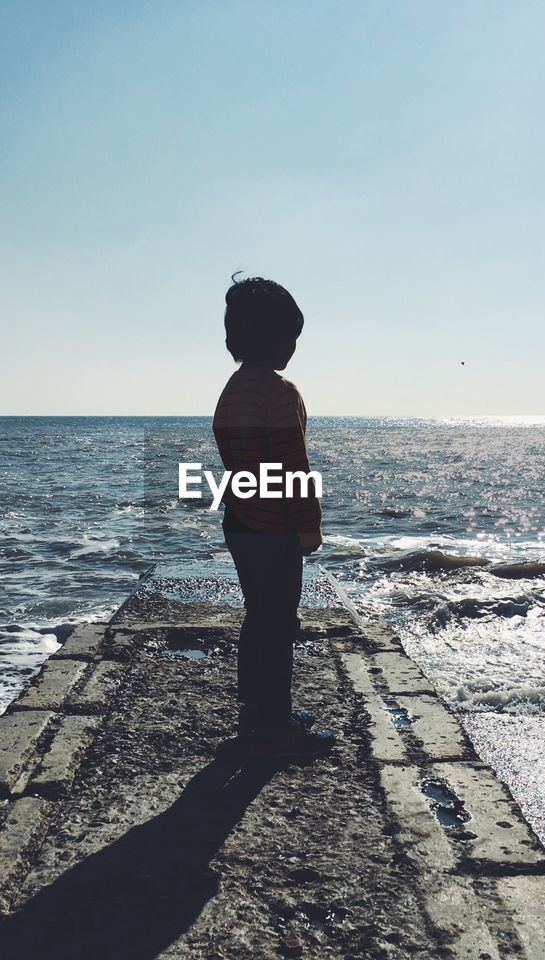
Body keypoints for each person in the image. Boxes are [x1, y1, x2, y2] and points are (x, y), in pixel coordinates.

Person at [212, 276, 334, 759]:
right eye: (292, 339)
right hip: (274, 528)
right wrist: (308, 526)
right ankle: (277, 729)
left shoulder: (233, 390)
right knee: (279, 625)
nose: (293, 350)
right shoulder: (280, 392)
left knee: (259, 620)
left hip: (241, 520)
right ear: (279, 340)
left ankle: (257, 717)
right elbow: (291, 465)